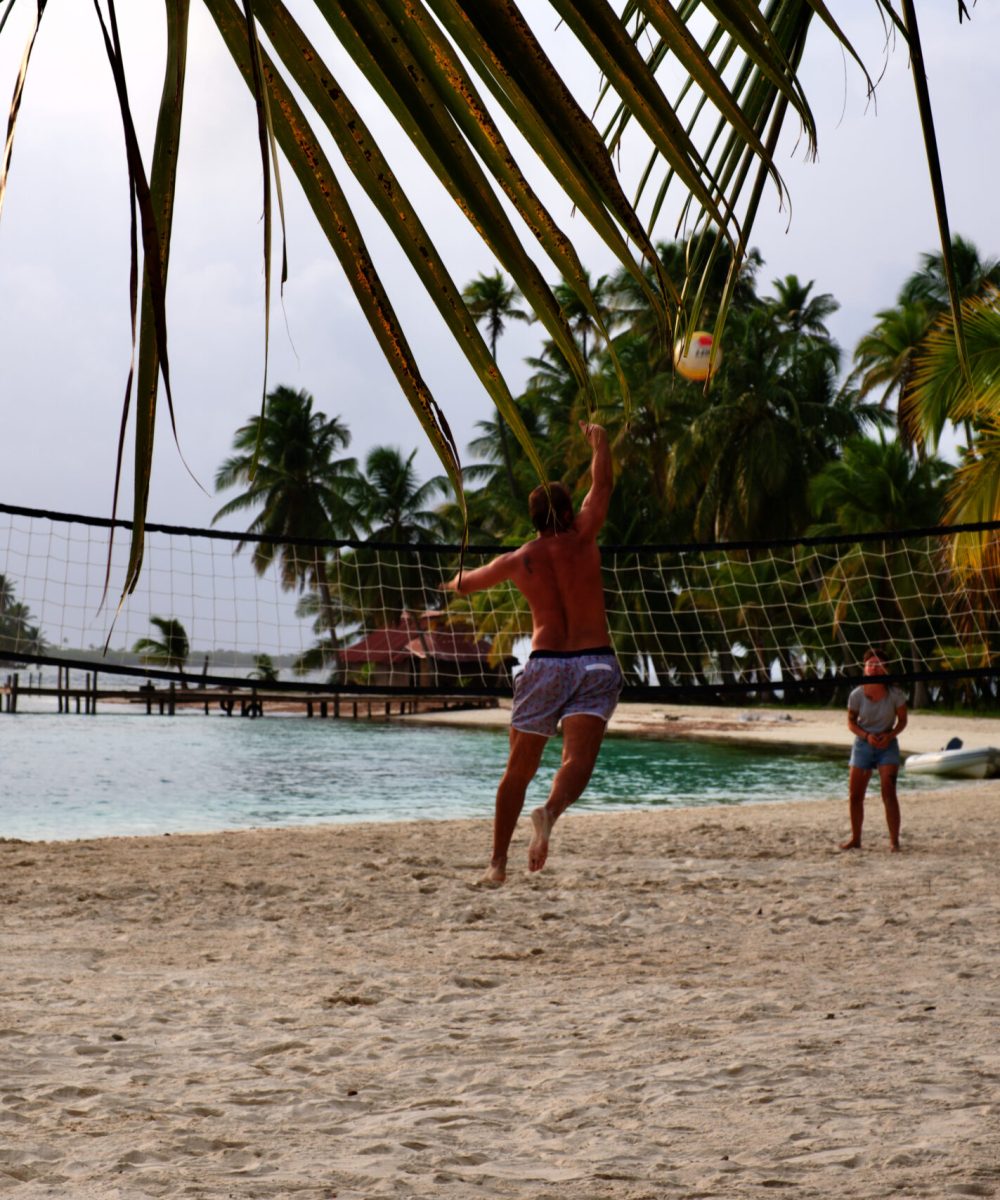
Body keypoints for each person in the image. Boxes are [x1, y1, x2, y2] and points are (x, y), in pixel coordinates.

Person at [443, 421, 623, 883]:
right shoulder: (585, 535)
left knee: (517, 772)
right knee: (576, 761)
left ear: (534, 520)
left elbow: (468, 583)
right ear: (569, 510)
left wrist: (451, 581)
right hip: (595, 660)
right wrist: (599, 443)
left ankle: (498, 864)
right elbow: (602, 484)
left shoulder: (520, 560)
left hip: (545, 665)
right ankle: (550, 811)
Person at [841, 648, 908, 852]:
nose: (874, 667)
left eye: (878, 664)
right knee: (855, 795)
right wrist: (866, 736)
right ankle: (856, 839)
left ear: (885, 669)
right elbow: (851, 723)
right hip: (863, 743)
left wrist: (890, 735)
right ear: (865, 668)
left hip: (887, 743)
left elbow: (903, 721)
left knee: (889, 793)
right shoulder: (857, 694)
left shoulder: (895, 693)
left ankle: (894, 841)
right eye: (871, 664)